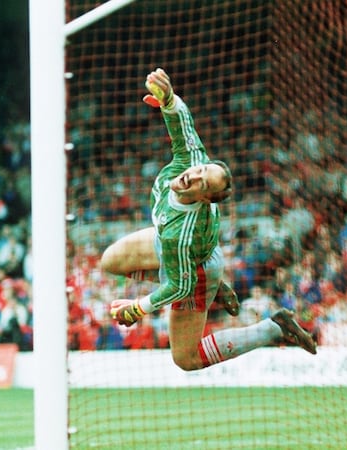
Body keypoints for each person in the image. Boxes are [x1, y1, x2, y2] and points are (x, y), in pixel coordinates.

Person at [102, 68, 316, 371]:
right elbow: (183, 126)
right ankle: (217, 289)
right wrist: (169, 99)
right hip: (176, 251)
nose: (195, 176)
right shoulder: (190, 160)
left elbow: (177, 286)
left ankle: (274, 328)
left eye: (203, 183)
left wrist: (138, 307)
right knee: (110, 261)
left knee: (186, 359)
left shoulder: (182, 234)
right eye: (201, 172)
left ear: (204, 199)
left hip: (193, 270)